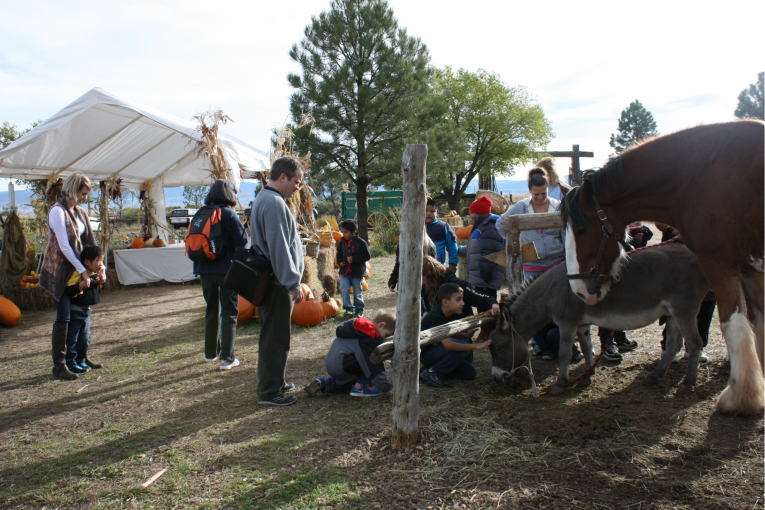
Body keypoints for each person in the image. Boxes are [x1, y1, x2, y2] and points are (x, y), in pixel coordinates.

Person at [500, 168, 583, 362]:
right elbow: (501, 225)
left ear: (548, 189)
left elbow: (566, 231)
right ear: (529, 191)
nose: (540, 197)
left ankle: (563, 342)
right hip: (532, 266)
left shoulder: (558, 205)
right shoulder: (521, 207)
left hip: (556, 263)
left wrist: (566, 255)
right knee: (535, 305)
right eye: (536, 194)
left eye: (543, 193)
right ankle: (542, 347)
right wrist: (515, 246)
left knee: (559, 304)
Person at [250, 156, 306, 406]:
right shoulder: (273, 203)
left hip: (272, 282)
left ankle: (276, 381)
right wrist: (292, 282)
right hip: (276, 284)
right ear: (282, 177)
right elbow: (279, 247)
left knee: (274, 335)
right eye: (296, 181)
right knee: (275, 338)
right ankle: (270, 393)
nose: (297, 187)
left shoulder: (267, 198)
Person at [40, 172, 105, 381]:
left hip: (78, 275)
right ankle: (59, 365)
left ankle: (81, 358)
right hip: (62, 274)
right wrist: (83, 270)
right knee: (64, 318)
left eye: (86, 194)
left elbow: (91, 244)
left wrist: (100, 266)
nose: (85, 197)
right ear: (72, 189)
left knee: (83, 316)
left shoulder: (80, 212)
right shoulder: (57, 212)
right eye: (83, 193)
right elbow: (65, 247)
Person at [193, 179, 248, 370]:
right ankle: (227, 358)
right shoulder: (229, 213)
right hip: (226, 270)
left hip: (203, 269)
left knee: (211, 309)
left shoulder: (201, 213)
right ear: (229, 194)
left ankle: (210, 353)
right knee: (229, 312)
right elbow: (242, 242)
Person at [655, 223, 714, 362]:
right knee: (675, 308)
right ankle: (670, 348)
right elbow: (659, 222)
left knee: (706, 305)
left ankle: (696, 349)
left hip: (705, 261)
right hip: (676, 261)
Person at [303, 313, 396, 397]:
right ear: (381, 325)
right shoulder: (369, 337)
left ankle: (325, 383)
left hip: (333, 365)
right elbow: (373, 366)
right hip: (344, 366)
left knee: (349, 384)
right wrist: (388, 387)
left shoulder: (357, 328)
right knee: (369, 361)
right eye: (386, 335)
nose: (384, 339)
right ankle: (359, 388)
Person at [419, 283, 493, 388]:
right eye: (458, 300)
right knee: (462, 348)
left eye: (462, 299)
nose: (463, 303)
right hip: (427, 354)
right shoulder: (436, 317)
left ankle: (428, 369)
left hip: (439, 352)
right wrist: (475, 346)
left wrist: (465, 335)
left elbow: (447, 334)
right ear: (445, 302)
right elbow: (449, 345)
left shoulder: (449, 312)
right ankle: (433, 372)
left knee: (470, 373)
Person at [459, 195, 505, 341]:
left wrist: (486, 275)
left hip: (486, 275)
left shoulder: (489, 227)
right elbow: (475, 249)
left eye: (472, 213)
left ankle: (490, 330)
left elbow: (488, 253)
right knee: (482, 303)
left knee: (488, 304)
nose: (471, 216)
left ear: (479, 213)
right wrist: (459, 250)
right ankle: (486, 328)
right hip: (481, 275)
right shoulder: (481, 226)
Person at [63, 245, 105, 374]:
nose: (100, 264)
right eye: (97, 260)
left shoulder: (93, 274)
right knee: (72, 339)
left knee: (84, 339)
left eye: (101, 260)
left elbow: (95, 291)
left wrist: (99, 282)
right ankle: (71, 363)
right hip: (76, 311)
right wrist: (80, 286)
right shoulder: (77, 274)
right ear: (86, 262)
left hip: (86, 311)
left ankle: (82, 360)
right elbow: (68, 290)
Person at [336, 219, 371, 316]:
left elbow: (367, 256)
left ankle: (359, 310)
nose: (343, 234)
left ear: (353, 232)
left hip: (357, 272)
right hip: (345, 271)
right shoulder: (342, 242)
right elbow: (339, 254)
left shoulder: (361, 243)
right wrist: (340, 262)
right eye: (342, 232)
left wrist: (354, 259)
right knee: (343, 288)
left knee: (357, 291)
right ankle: (348, 308)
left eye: (346, 232)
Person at [387, 228, 436, 292]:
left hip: (424, 285)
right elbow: (399, 264)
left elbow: (432, 268)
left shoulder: (429, 246)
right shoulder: (402, 244)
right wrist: (392, 280)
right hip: (405, 283)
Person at [425, 198, 459, 272]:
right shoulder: (416, 227)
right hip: (418, 267)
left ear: (437, 212)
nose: (428, 213)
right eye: (425, 211)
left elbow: (452, 245)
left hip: (438, 268)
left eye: (432, 211)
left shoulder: (443, 227)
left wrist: (453, 263)